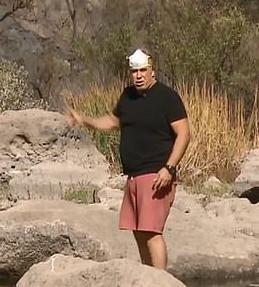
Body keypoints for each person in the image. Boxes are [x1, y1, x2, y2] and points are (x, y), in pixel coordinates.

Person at [66, 48, 190, 270]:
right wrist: (83, 119)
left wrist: (169, 168)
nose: (139, 75)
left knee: (152, 232)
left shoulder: (167, 97)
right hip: (133, 175)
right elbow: (113, 122)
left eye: (143, 70)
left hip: (156, 174)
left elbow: (184, 133)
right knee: (139, 232)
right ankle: (147, 277)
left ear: (152, 71)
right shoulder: (127, 96)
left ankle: (161, 284)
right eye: (135, 71)